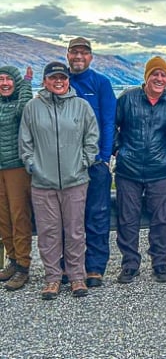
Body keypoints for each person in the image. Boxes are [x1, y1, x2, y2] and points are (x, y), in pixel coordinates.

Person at [19, 62, 99, 300]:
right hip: (43, 183)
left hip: (75, 181)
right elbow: (25, 142)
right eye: (53, 78)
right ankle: (52, 278)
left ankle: (76, 277)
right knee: (48, 232)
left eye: (62, 78)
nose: (58, 81)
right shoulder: (32, 108)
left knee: (74, 231)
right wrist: (32, 165)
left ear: (68, 80)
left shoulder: (81, 106)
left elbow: (91, 138)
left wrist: (85, 161)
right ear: (45, 81)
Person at [114, 56, 166, 284]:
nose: (159, 79)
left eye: (163, 75)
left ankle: (160, 263)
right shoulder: (127, 99)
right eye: (155, 74)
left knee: (162, 219)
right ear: (147, 77)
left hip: (159, 171)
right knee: (127, 219)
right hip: (128, 171)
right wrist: (118, 150)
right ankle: (130, 264)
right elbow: (111, 125)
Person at [66, 36, 116, 287]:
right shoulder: (61, 81)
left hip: (96, 163)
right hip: (65, 164)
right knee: (69, 217)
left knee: (97, 215)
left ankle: (95, 266)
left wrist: (105, 158)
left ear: (90, 57)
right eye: (74, 52)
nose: (78, 57)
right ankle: (70, 266)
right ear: (67, 55)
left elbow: (108, 122)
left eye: (83, 53)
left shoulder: (101, 83)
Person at [0, 65, 33, 291]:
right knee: (3, 218)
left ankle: (23, 265)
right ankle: (12, 260)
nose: (4, 83)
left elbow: (24, 109)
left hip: (16, 167)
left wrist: (27, 83)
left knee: (19, 215)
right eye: (0, 79)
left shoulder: (19, 106)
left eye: (8, 79)